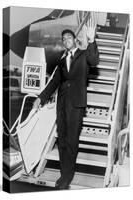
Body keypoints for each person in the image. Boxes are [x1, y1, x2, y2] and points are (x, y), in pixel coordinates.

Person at [33, 17, 99, 189]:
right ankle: (64, 174)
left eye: (68, 38)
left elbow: (95, 61)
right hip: (61, 105)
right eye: (63, 39)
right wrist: (40, 98)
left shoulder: (84, 55)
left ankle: (68, 177)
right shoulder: (62, 62)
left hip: (76, 104)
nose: (65, 41)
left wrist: (91, 40)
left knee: (71, 141)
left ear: (75, 40)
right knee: (62, 140)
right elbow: (54, 82)